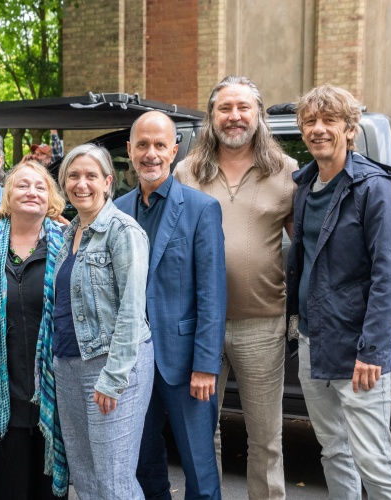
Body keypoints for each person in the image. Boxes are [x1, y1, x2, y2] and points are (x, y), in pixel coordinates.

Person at [173, 76, 296, 499]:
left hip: (262, 323)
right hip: (198, 325)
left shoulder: (286, 172)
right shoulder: (186, 172)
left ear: (259, 115)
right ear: (211, 117)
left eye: (243, 107)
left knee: (266, 437)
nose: (234, 116)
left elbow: (310, 246)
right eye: (224, 108)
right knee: (203, 434)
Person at [287, 84, 391, 499]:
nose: (318, 129)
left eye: (329, 121)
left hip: (358, 351)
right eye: (310, 121)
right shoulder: (304, 186)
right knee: (333, 450)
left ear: (350, 128)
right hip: (311, 341)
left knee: (373, 460)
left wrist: (372, 350)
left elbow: (390, 278)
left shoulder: (375, 189)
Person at [116, 111, 227, 500]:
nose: (151, 154)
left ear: (174, 151)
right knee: (143, 462)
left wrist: (205, 365)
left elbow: (212, 295)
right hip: (131, 364)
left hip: (184, 365)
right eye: (143, 145)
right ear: (130, 151)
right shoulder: (116, 211)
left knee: (199, 466)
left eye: (159, 145)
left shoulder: (201, 209)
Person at [53, 143, 154, 499]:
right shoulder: (70, 233)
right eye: (73, 176)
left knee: (114, 480)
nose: (82, 184)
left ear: (108, 182)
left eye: (91, 176)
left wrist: (113, 378)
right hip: (68, 365)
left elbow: (132, 308)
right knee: (86, 477)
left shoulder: (123, 231)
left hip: (111, 366)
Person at [0, 160, 69, 499]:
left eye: (40, 186)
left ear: (51, 198)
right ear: (8, 194)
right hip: (5, 389)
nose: (31, 192)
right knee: (9, 487)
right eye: (22, 185)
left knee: (47, 488)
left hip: (55, 390)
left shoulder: (68, 245)